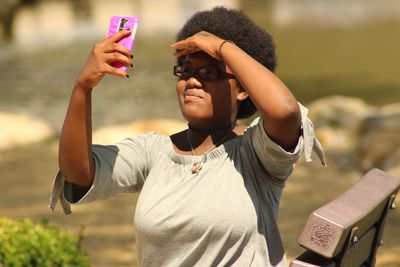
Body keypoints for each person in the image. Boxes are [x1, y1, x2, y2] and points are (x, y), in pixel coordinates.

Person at [50, 6, 326, 267]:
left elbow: (285, 111)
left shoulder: (256, 152)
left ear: (243, 89)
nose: (192, 80)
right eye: (185, 70)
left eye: (209, 72)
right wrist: (82, 87)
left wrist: (222, 46)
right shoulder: (152, 151)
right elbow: (78, 173)